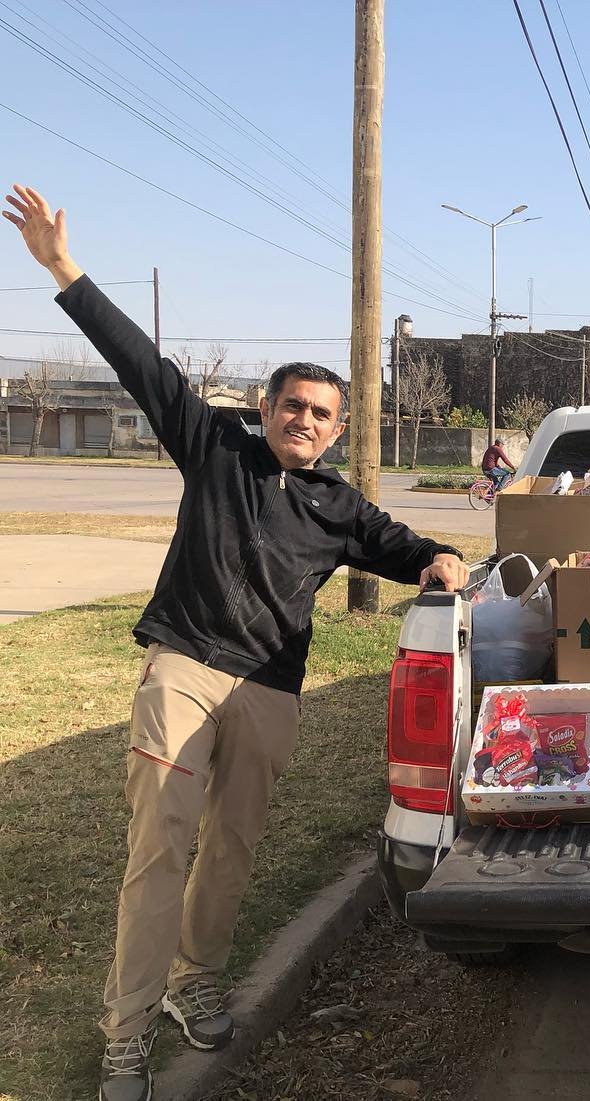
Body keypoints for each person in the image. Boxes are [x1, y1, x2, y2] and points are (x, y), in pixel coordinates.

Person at [4, 184, 469, 1101]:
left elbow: (410, 548)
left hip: (270, 692)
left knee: (231, 851)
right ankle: (126, 1036)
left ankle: (195, 978)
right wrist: (64, 267)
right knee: (161, 848)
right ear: (265, 407)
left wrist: (445, 556)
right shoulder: (214, 447)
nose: (304, 419)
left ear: (339, 429)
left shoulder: (339, 505)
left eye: (321, 413)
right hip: (184, 668)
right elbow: (138, 361)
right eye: (291, 404)